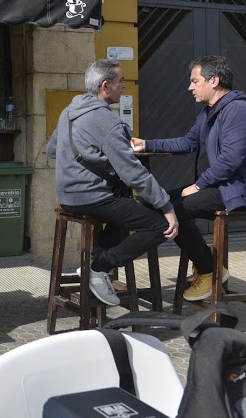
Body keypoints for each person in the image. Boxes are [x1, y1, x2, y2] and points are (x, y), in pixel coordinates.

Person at [131, 55, 246, 302]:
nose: (189, 87)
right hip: (215, 186)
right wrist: (147, 144)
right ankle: (208, 263)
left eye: (194, 81)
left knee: (174, 208)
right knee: (156, 202)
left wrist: (199, 185)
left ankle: (208, 269)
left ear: (214, 80)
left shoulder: (238, 110)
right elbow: (187, 142)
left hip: (236, 190)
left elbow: (231, 160)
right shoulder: (208, 112)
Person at [46, 59, 178, 306]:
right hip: (93, 198)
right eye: (121, 81)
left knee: (125, 205)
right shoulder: (107, 121)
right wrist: (166, 206)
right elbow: (133, 173)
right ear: (105, 86)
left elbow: (52, 150)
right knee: (160, 226)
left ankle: (93, 265)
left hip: (67, 197)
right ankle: (99, 267)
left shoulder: (69, 112)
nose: (124, 86)